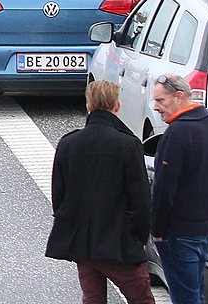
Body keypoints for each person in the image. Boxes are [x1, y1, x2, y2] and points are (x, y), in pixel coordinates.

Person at [47, 80, 156, 304]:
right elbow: (140, 200)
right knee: (141, 299)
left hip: (82, 243)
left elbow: (59, 196)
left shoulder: (68, 143)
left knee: (93, 298)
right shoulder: (128, 144)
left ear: (89, 105)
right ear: (116, 106)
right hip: (119, 242)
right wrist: (140, 238)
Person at [150, 73, 208, 304]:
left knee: (185, 297)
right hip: (205, 226)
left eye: (161, 101)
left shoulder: (176, 133)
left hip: (178, 232)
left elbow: (164, 189)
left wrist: (158, 230)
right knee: (195, 292)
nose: (156, 107)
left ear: (180, 96)